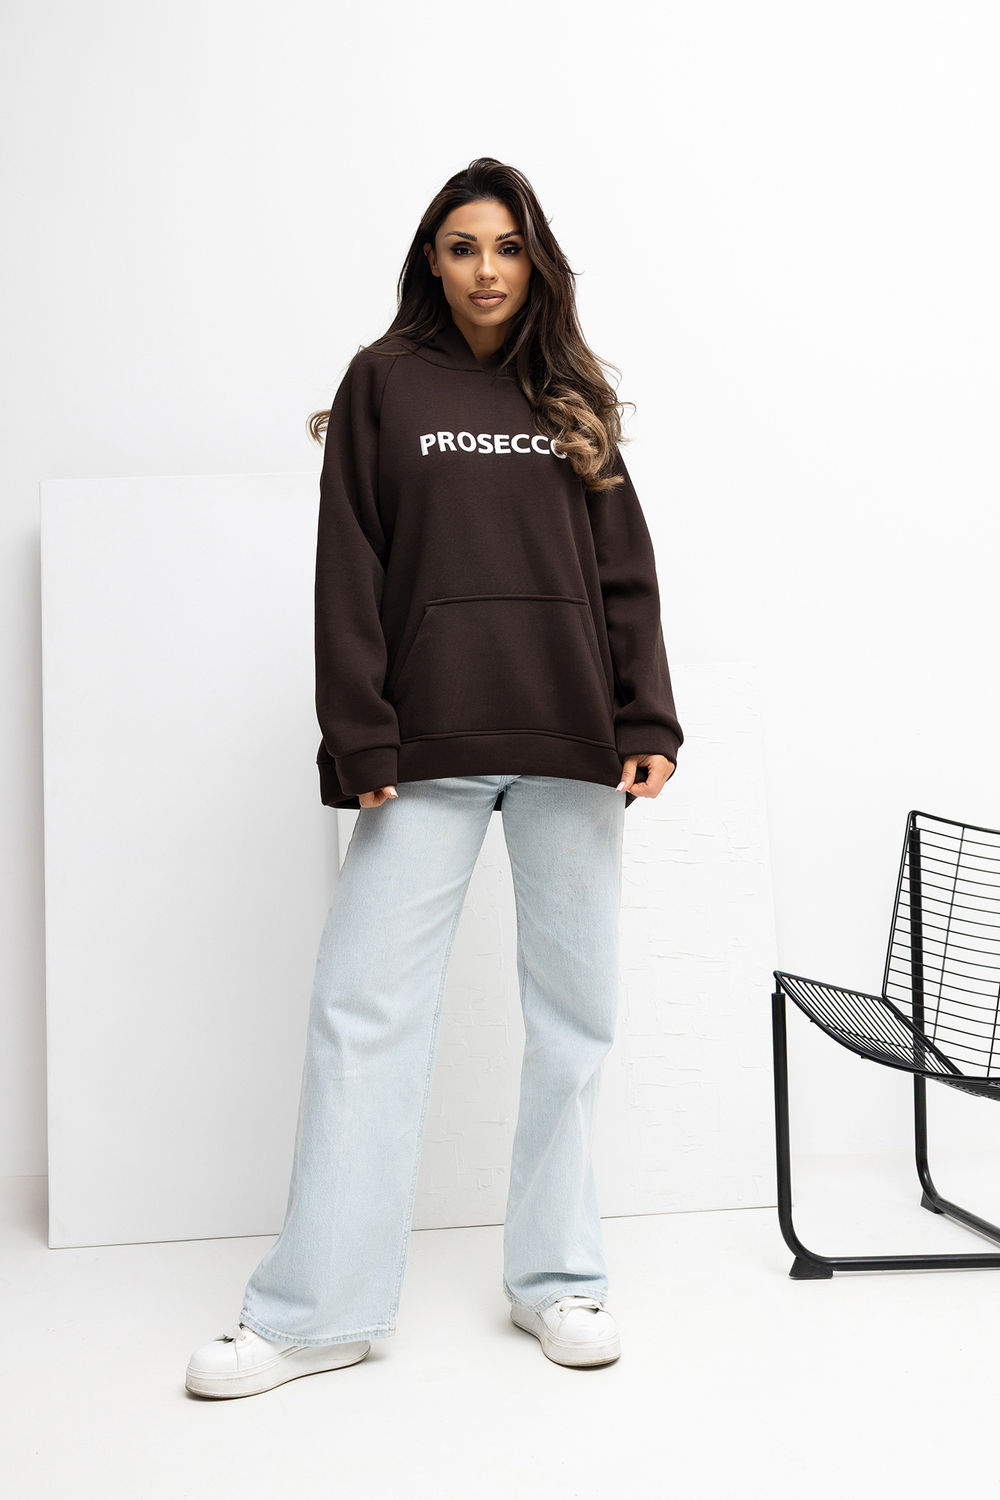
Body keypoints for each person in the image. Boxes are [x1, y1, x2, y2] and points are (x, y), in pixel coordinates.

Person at [185, 157, 684, 1399]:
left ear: (536, 262)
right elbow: (347, 563)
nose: (486, 270)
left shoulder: (570, 394)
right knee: (364, 1014)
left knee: (573, 1023)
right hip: (426, 750)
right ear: (431, 260)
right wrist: (359, 734)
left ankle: (557, 1282)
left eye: (507, 247)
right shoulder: (383, 383)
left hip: (572, 742)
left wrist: (647, 715)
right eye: (462, 247)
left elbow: (624, 568)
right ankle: (320, 1312)